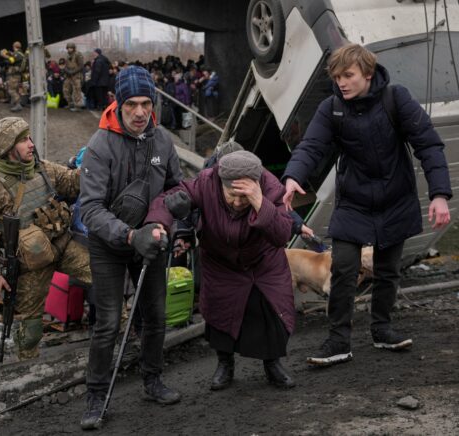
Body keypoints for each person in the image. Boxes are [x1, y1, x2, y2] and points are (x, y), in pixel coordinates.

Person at [281, 44, 452, 367]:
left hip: (395, 198)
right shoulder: (332, 108)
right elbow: (312, 145)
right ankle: (338, 341)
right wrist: (292, 177)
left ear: (368, 74)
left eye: (348, 75)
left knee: (387, 270)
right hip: (354, 201)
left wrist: (439, 194)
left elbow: (428, 144)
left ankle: (382, 329)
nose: (341, 82)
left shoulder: (396, 99)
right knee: (343, 267)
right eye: (336, 77)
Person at [78, 65, 183, 429]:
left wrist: (169, 219)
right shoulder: (99, 146)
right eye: (132, 105)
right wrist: (128, 235)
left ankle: (152, 380)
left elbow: (176, 187)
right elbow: (89, 209)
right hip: (109, 244)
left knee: (156, 317)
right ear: (118, 104)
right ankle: (95, 395)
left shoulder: (163, 140)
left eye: (146, 103)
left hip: (151, 241)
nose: (140, 112)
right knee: (107, 323)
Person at [148, 150, 297, 392]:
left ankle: (272, 364)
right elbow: (168, 198)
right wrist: (159, 221)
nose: (238, 203)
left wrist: (260, 202)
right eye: (232, 196)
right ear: (221, 184)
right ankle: (224, 364)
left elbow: (282, 234)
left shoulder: (270, 186)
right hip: (220, 261)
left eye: (244, 197)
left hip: (262, 262)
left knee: (270, 313)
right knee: (220, 314)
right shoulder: (207, 182)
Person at [0, 117, 91, 360]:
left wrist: (96, 162)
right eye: (23, 140)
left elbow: (74, 181)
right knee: (30, 328)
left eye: (29, 137)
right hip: (30, 266)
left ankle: (122, 338)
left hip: (63, 246)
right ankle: (26, 368)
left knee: (105, 276)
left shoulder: (42, 168)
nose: (31, 144)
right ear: (8, 148)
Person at [1, 41, 25, 112]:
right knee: (15, 89)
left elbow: (10, 61)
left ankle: (18, 105)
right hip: (17, 75)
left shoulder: (17, 54)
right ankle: (14, 104)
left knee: (11, 90)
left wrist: (4, 55)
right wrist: (9, 54)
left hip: (14, 75)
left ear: (14, 46)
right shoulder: (21, 54)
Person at [63, 42, 84, 112]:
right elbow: (64, 66)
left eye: (71, 48)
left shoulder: (78, 54)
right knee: (65, 89)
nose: (69, 49)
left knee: (76, 90)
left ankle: (78, 106)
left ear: (73, 48)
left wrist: (73, 72)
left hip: (76, 75)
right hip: (68, 75)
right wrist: (66, 71)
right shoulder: (67, 56)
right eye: (68, 48)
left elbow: (81, 66)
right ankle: (70, 103)